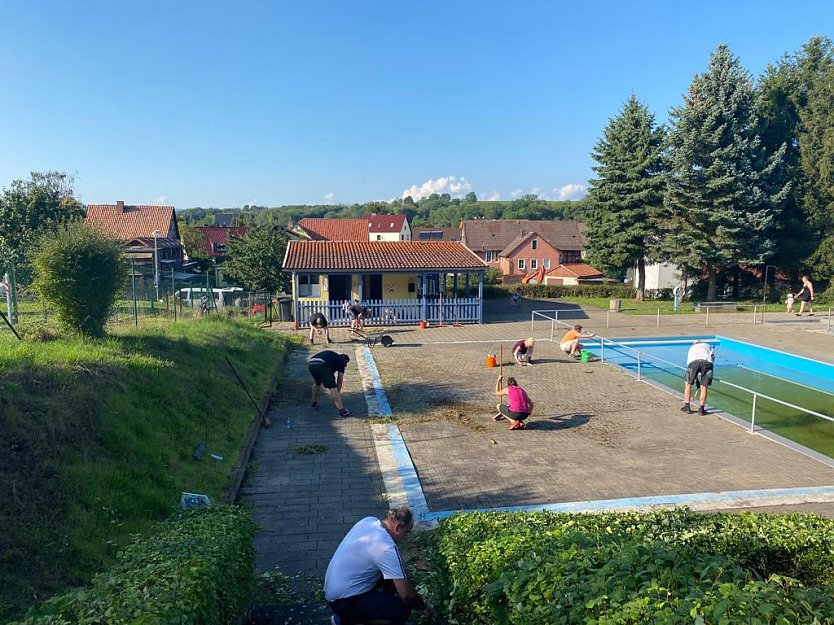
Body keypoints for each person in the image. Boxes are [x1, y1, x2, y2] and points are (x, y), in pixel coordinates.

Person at [324, 507, 436, 625]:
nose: (406, 537)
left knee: (392, 578)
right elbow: (407, 595)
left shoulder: (368, 521)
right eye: (406, 532)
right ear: (397, 527)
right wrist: (424, 608)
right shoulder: (387, 548)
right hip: (344, 602)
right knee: (402, 609)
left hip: (331, 593)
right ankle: (347, 621)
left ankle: (355, 615)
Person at [308, 350, 352, 417]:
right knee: (332, 387)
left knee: (317, 382)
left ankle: (314, 403)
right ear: (345, 361)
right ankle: (342, 411)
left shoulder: (334, 356)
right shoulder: (341, 362)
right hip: (322, 364)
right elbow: (340, 379)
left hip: (311, 363)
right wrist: (337, 393)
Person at [680, 340, 715, 415]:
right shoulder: (708, 346)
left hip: (694, 363)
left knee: (688, 384)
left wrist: (695, 376)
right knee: (704, 387)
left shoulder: (692, 348)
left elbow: (689, 363)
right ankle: (701, 409)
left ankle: (687, 407)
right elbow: (712, 358)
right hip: (707, 364)